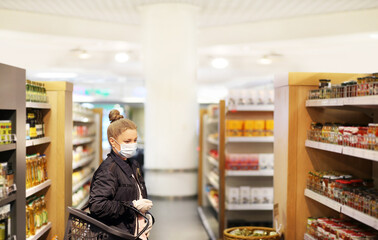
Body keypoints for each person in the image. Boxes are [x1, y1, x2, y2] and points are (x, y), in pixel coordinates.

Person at [89, 109, 154, 239]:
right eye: (127, 141)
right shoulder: (108, 170)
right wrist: (132, 206)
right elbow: (97, 206)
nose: (133, 145)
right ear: (113, 142)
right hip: (118, 235)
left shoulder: (133, 164)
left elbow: (137, 195)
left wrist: (147, 216)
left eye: (135, 140)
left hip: (134, 231)